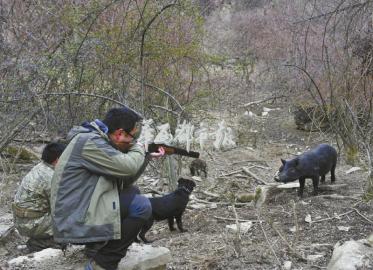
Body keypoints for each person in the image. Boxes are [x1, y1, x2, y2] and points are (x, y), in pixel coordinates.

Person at [50, 107, 165, 270]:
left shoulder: (99, 140)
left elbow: (126, 178)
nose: (132, 141)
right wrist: (139, 147)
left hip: (80, 211)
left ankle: (96, 247)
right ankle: (103, 263)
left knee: (133, 193)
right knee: (141, 206)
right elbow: (128, 167)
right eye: (132, 136)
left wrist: (145, 158)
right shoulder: (89, 142)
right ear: (119, 133)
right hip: (73, 220)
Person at [13, 142, 66, 252]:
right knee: (71, 222)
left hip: (23, 221)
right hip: (32, 224)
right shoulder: (52, 177)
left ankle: (42, 239)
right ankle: (41, 243)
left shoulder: (41, 167)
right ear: (57, 159)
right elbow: (61, 209)